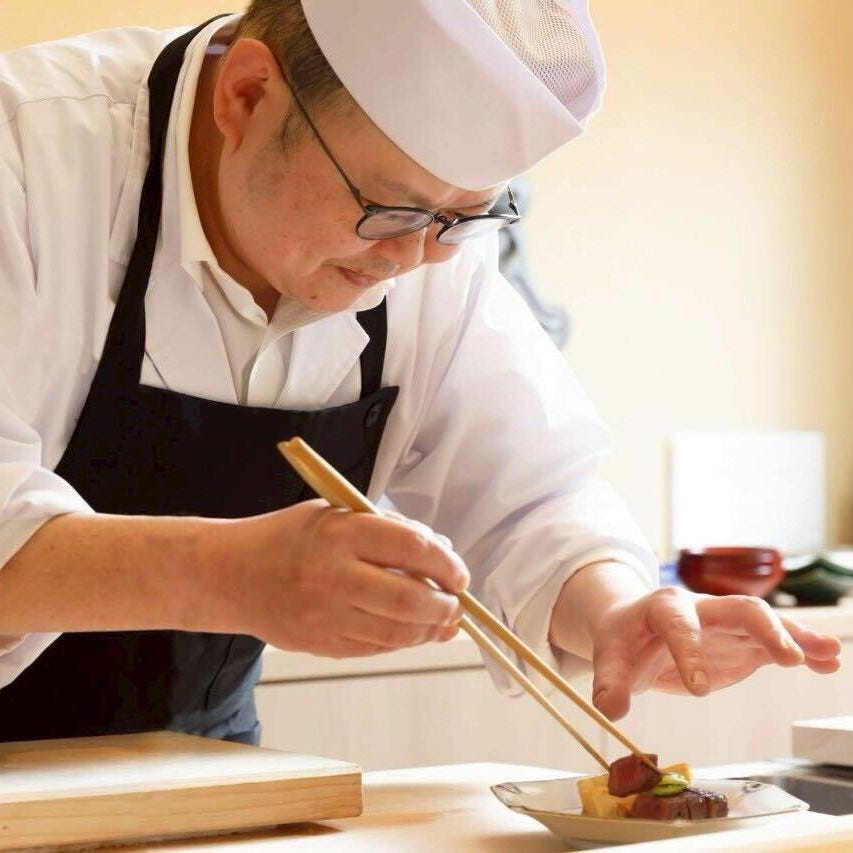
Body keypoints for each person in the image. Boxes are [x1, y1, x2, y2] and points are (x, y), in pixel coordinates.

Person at [0, 1, 839, 745]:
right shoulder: (29, 154)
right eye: (387, 208)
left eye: (463, 218)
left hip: (196, 775)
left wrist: (617, 607)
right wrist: (224, 575)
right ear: (246, 96)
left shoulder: (430, 239)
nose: (410, 259)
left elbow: (528, 495)